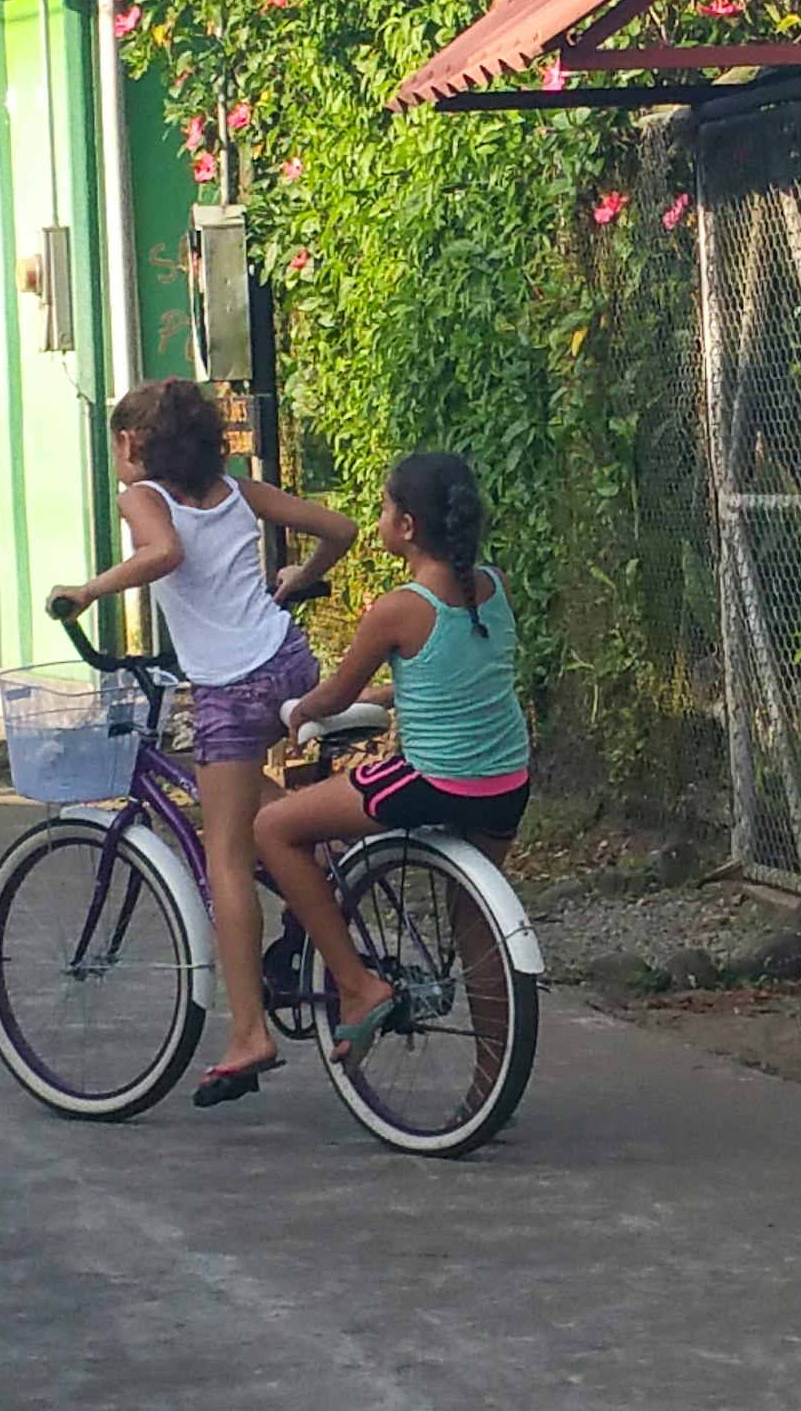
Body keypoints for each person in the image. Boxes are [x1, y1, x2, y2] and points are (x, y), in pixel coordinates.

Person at [44, 379, 355, 1108]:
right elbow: (339, 529)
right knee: (242, 807)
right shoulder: (240, 490)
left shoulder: (143, 498)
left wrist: (88, 593)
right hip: (286, 661)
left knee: (223, 854)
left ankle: (249, 1033)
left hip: (229, 683)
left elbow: (164, 554)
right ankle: (334, 860)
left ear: (131, 444)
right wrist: (296, 580)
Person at [259, 450, 531, 1073]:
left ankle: (358, 985)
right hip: (504, 785)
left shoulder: (397, 608)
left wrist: (298, 711)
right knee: (475, 929)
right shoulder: (492, 587)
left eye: (384, 508)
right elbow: (450, 676)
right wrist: (388, 696)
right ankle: (491, 1082)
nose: (378, 517)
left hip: (435, 783)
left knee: (273, 828)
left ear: (407, 528)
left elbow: (335, 696)